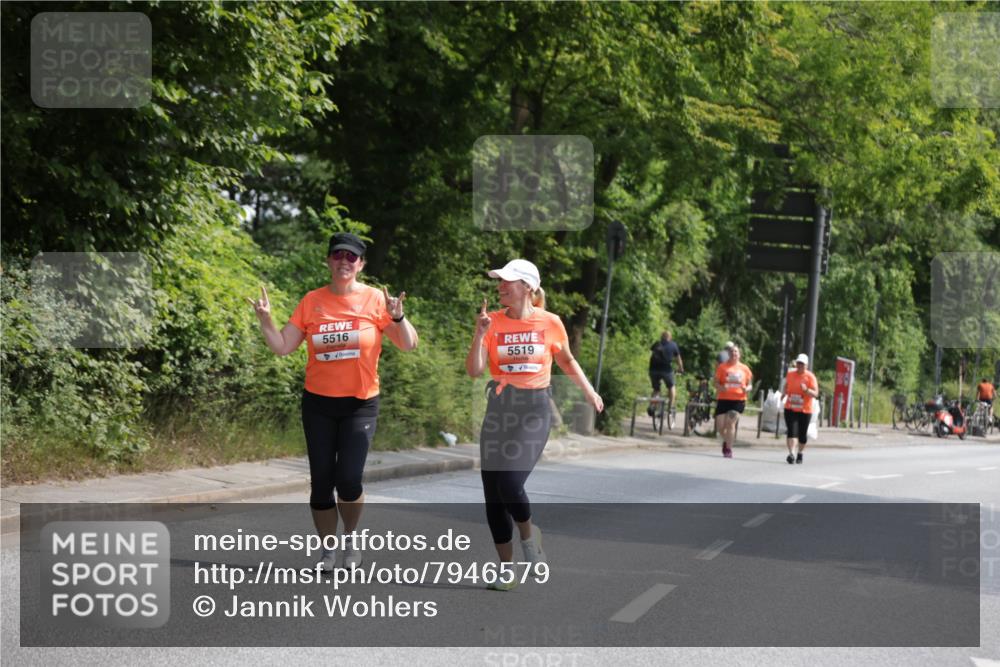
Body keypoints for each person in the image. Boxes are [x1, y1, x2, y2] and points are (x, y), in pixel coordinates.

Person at [247, 232, 418, 572]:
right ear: (328, 260)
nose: (344, 261)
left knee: (349, 480)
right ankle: (328, 550)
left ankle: (351, 538)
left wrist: (398, 318)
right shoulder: (312, 301)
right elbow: (282, 346)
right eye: (338, 255)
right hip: (318, 404)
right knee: (321, 484)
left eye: (351, 257)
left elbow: (408, 344)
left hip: (360, 404)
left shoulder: (375, 300)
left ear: (361, 264)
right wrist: (266, 320)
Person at [466, 259, 603, 591]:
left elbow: (566, 360)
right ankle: (506, 569)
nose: (500, 286)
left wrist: (589, 391)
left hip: (534, 410)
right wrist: (479, 333)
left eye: (507, 281)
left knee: (510, 482)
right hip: (499, 409)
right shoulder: (492, 321)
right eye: (499, 281)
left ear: (527, 287)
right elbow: (474, 370)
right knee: (493, 494)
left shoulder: (550, 322)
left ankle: (529, 538)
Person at [713, 345, 752, 458]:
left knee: (730, 423)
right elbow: (715, 383)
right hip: (723, 399)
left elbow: (750, 385)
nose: (734, 353)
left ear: (739, 355)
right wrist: (721, 388)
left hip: (738, 400)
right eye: (732, 352)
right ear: (728, 354)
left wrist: (746, 389)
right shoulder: (722, 367)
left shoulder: (745, 368)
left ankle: (728, 449)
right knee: (720, 427)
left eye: (736, 352)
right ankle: (727, 441)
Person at [783, 353, 819, 464]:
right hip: (790, 408)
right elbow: (786, 385)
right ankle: (791, 454)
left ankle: (800, 452)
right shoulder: (790, 374)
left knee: (802, 435)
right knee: (792, 431)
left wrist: (807, 390)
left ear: (806, 365)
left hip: (805, 410)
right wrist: (783, 394)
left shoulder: (810, 377)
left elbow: (816, 394)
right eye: (798, 363)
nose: (800, 366)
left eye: (802, 364)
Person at [647, 331, 684, 417]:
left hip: (653, 370)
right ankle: (670, 407)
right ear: (670, 337)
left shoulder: (656, 343)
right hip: (666, 370)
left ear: (661, 337)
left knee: (656, 389)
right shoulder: (673, 345)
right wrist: (681, 369)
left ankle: (652, 406)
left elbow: (651, 354)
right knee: (671, 387)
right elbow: (678, 359)